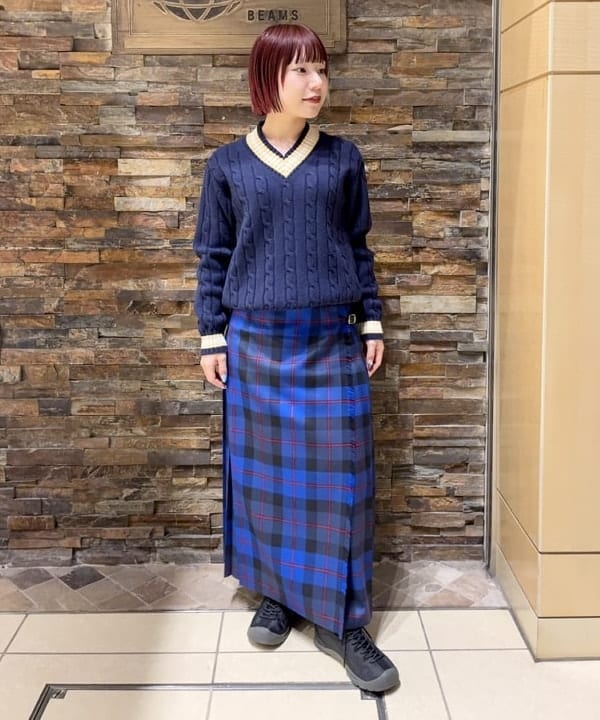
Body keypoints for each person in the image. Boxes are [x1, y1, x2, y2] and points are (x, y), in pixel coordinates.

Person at [193, 23, 399, 693]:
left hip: (332, 338)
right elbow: (213, 256)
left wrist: (371, 320)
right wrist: (211, 335)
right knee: (264, 484)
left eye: (321, 70)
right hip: (255, 342)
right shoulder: (227, 165)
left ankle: (347, 622)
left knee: (343, 483)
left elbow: (359, 246)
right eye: (300, 70)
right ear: (268, 78)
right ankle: (277, 596)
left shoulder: (343, 159)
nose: (316, 83)